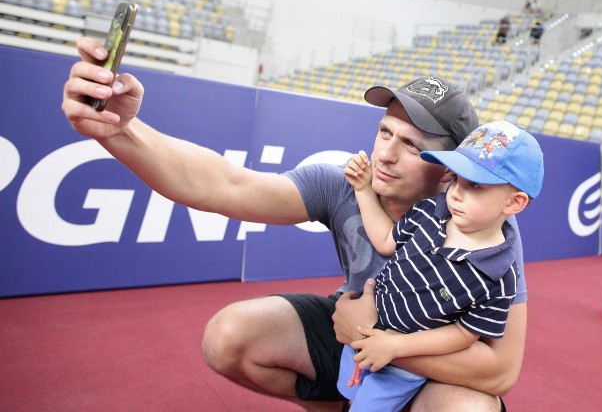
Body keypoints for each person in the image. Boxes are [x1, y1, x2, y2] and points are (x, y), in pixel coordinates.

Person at [61, 41, 528, 411]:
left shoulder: (484, 230)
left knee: (468, 409)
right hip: (355, 323)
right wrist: (122, 130)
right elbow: (225, 185)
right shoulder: (343, 183)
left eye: (410, 144)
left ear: (447, 168)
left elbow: (500, 372)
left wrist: (374, 341)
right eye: (385, 131)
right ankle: (337, 404)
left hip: (431, 364)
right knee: (229, 337)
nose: (385, 153)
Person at [338, 120, 543, 410]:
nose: (456, 192)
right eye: (457, 179)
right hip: (359, 340)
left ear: (514, 203)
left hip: (402, 368)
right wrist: (362, 190)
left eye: (474, 185)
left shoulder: (498, 276)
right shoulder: (429, 211)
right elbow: (386, 240)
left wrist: (395, 346)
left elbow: (463, 334)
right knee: (347, 390)